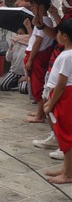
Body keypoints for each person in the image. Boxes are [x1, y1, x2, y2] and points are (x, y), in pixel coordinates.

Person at [33, 0, 72, 159]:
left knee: (58, 110)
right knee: (49, 101)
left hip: (64, 68)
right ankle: (56, 137)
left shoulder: (68, 56)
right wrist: (42, 25)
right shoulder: (67, 15)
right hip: (56, 60)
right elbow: (57, 35)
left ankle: (64, 145)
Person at [42, 18, 72, 184]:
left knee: (66, 134)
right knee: (65, 134)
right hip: (64, 94)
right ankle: (67, 168)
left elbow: (61, 84)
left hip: (65, 96)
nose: (57, 35)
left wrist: (50, 104)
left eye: (58, 32)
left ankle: (68, 174)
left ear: (65, 36)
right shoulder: (67, 54)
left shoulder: (66, 56)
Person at [24, 0, 54, 124]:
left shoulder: (44, 21)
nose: (31, 8)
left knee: (38, 85)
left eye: (33, 6)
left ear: (41, 7)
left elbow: (37, 42)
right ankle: (39, 111)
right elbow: (35, 38)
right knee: (36, 84)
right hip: (38, 55)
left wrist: (30, 60)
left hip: (38, 56)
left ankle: (40, 115)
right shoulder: (42, 20)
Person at [0, 26, 29, 91]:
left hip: (25, 74)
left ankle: (22, 83)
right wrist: (11, 47)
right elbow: (8, 59)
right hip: (14, 72)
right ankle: (16, 83)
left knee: (23, 89)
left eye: (21, 34)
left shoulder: (29, 45)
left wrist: (26, 77)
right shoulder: (14, 44)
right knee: (3, 86)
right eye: (18, 33)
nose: (19, 36)